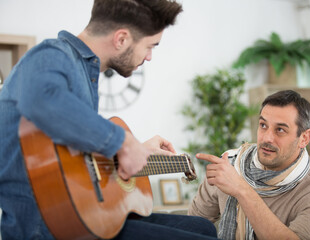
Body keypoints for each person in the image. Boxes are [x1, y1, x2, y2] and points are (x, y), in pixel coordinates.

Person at [0, 0, 218, 239]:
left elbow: (72, 157)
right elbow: (42, 100)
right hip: (47, 227)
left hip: (74, 214)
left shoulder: (84, 72)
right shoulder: (53, 54)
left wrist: (133, 152)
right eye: (150, 46)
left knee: (203, 227)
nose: (149, 57)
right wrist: (123, 142)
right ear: (121, 39)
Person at [189, 90, 310, 240]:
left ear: (304, 138)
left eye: (280, 130)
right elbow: (192, 227)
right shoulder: (229, 165)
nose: (267, 138)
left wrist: (241, 190)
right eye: (263, 125)